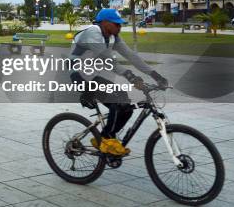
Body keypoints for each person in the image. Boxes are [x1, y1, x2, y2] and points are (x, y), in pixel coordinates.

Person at [69, 8, 168, 156]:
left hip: (92, 74)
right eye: (116, 24)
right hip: (79, 75)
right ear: (104, 23)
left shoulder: (113, 36)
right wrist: (131, 77)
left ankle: (102, 138)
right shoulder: (93, 32)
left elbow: (131, 56)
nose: (119, 27)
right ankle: (107, 140)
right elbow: (108, 59)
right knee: (117, 100)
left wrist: (156, 76)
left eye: (120, 24)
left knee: (125, 105)